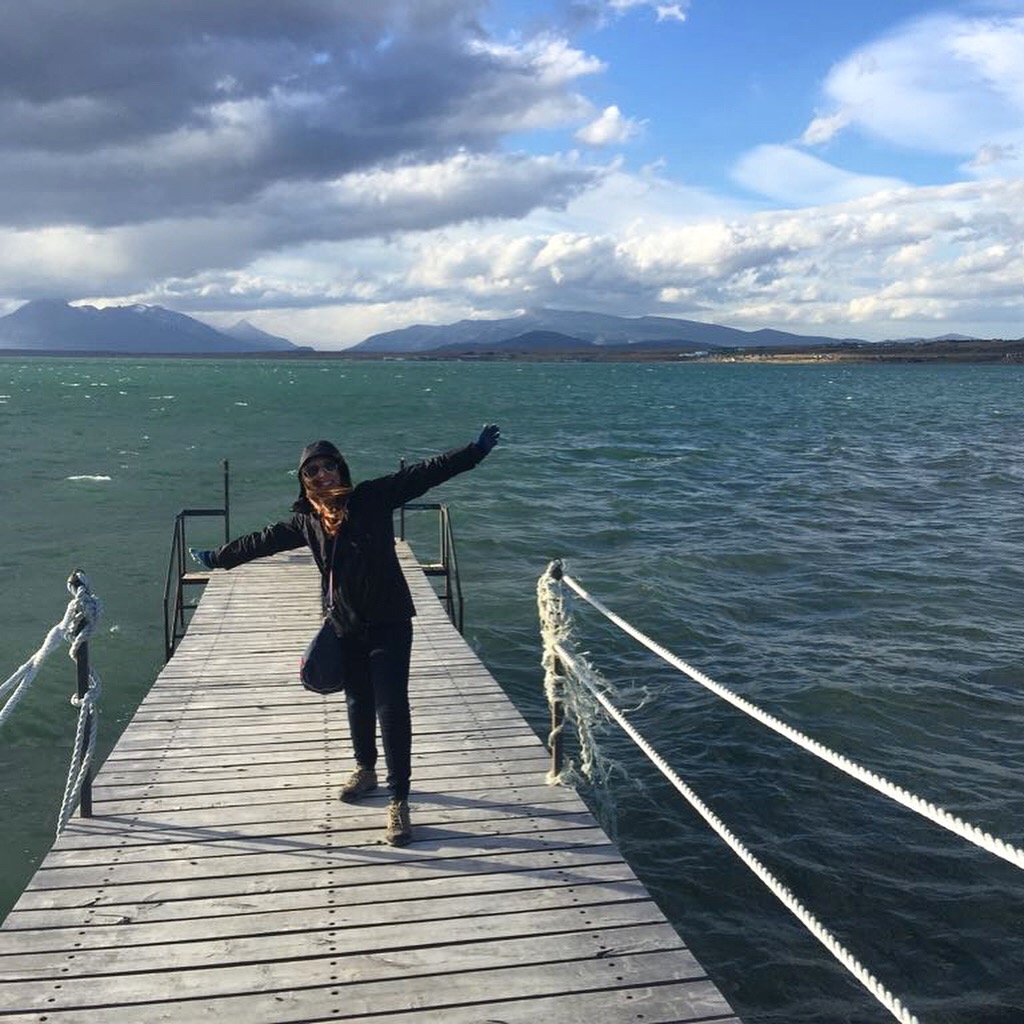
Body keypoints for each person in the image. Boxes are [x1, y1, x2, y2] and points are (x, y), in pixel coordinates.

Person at [189, 424, 500, 846]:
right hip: (345, 624)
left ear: (341, 469)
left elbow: (425, 473)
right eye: (312, 471)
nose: (321, 475)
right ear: (304, 480)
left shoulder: (372, 497)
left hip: (389, 621)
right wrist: (219, 557)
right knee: (357, 701)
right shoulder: (307, 520)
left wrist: (474, 451)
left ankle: (399, 800)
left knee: (392, 707)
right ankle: (366, 770)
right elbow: (263, 540)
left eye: (327, 467)